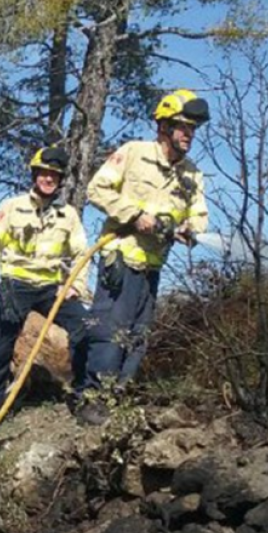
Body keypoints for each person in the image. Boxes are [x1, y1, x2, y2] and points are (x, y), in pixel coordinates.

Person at [77, 89, 210, 425]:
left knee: (138, 336)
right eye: (183, 127)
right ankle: (93, 402)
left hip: (152, 266)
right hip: (121, 258)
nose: (189, 134)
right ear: (164, 126)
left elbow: (199, 215)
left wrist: (190, 229)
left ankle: (118, 398)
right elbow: (96, 189)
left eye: (193, 129)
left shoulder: (192, 174)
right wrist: (136, 215)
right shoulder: (133, 153)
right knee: (110, 330)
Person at [0, 146, 92, 435]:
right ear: (35, 174)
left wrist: (76, 285)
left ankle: (85, 399)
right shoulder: (12, 207)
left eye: (55, 175)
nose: (48, 179)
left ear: (60, 180)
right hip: (16, 284)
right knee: (1, 344)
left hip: (51, 287)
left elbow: (81, 252)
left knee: (84, 328)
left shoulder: (68, 215)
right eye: (44, 173)